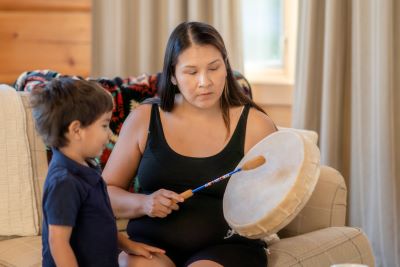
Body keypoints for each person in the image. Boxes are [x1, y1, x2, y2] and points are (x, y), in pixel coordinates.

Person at [103, 21, 276, 267]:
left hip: (227, 247)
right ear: (172, 75)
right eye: (191, 72)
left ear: (226, 67)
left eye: (214, 68)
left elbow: (278, 197)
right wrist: (144, 203)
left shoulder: (256, 125)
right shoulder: (144, 118)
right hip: (151, 246)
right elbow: (104, 193)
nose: (205, 81)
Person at [30, 77, 165, 267]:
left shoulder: (88, 168)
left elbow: (100, 222)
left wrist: (129, 246)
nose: (109, 134)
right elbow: (58, 243)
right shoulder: (63, 181)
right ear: (76, 130)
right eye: (104, 125)